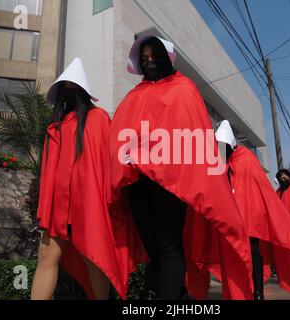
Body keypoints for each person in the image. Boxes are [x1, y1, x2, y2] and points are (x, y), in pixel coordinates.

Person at [107, 35, 253, 300]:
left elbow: (193, 137)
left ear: (165, 57)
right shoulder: (135, 95)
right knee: (151, 243)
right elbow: (121, 134)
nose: (149, 61)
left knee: (168, 243)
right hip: (139, 182)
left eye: (154, 55)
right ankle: (178, 297)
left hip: (172, 183)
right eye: (144, 57)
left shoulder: (184, 88)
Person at [31, 58, 129, 300]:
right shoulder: (55, 128)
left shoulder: (99, 120)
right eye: (63, 87)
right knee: (46, 258)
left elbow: (111, 162)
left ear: (82, 91)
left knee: (94, 259)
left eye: (72, 86)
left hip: (88, 205)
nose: (67, 92)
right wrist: (45, 208)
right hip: (57, 208)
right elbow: (48, 173)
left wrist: (110, 198)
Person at [215, 120, 290, 300]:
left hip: (251, 218)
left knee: (254, 252)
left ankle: (258, 292)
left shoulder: (247, 158)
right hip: (231, 218)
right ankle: (240, 290)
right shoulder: (222, 162)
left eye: (223, 145)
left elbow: (259, 189)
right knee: (234, 255)